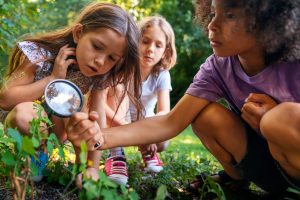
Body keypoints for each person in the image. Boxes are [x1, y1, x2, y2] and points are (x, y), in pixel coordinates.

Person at [66, 0, 300, 195]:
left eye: (229, 16)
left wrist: (275, 114)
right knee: (205, 115)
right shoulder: (217, 67)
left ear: (267, 21)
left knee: (278, 119)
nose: (212, 25)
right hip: (267, 169)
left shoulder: (294, 64)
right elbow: (170, 121)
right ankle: (236, 180)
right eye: (212, 13)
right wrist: (97, 137)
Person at [0, 2, 142, 184]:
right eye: (97, 47)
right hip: (26, 119)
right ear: (78, 33)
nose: (100, 61)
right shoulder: (40, 54)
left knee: (77, 107)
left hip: (59, 128)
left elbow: (96, 123)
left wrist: (91, 168)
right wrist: (52, 79)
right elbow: (5, 99)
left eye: (111, 58)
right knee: (24, 114)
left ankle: (81, 167)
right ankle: (35, 153)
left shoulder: (99, 76)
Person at [103, 16, 177, 185]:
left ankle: (149, 152)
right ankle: (116, 155)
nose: (150, 49)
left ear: (165, 51)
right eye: (145, 41)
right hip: (117, 121)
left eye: (158, 45)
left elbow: (164, 111)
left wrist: (149, 135)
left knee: (164, 141)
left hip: (145, 123)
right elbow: (101, 103)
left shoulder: (162, 74)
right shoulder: (122, 67)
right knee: (118, 89)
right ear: (135, 41)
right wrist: (128, 130)